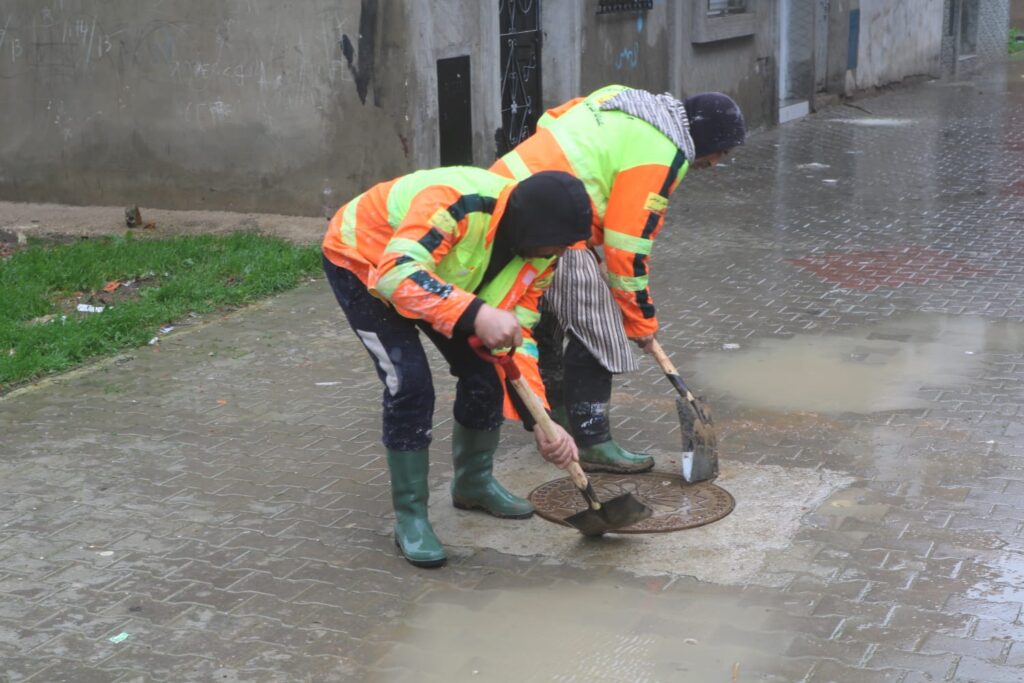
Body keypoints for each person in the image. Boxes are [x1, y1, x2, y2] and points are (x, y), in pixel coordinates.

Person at [322, 166, 591, 568]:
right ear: (530, 228)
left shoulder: (545, 255)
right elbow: (396, 275)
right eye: (553, 246)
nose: (556, 256)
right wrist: (477, 312)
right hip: (365, 263)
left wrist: (543, 422)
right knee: (410, 384)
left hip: (444, 282)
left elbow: (520, 338)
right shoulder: (457, 202)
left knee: (485, 378)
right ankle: (411, 518)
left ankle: (472, 483)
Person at [491, 87, 745, 474]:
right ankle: (592, 441)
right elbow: (626, 248)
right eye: (721, 152)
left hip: (507, 196)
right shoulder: (663, 153)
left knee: (549, 316)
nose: (717, 162)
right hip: (548, 223)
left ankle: (552, 418)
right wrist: (640, 322)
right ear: (707, 141)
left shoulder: (626, 101)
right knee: (601, 327)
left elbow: (553, 119)